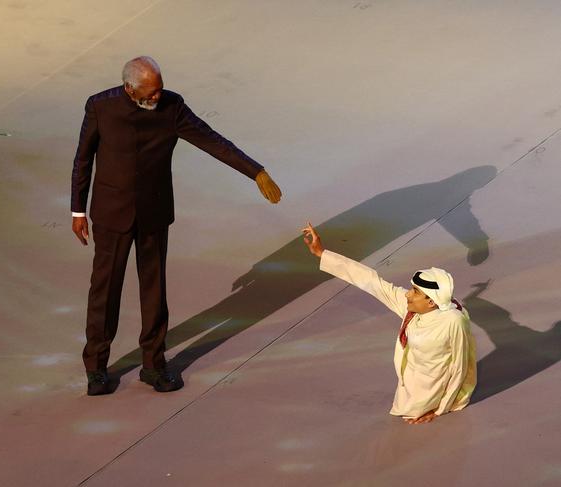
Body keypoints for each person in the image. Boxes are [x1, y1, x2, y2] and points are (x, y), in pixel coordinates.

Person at [71, 56, 282, 395]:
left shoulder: (172, 108)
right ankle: (96, 368)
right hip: (112, 214)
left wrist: (255, 171)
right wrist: (77, 211)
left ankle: (154, 365)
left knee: (154, 292)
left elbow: (212, 140)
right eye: (151, 93)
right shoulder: (100, 107)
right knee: (104, 292)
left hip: (154, 213)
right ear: (129, 88)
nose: (157, 97)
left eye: (160, 90)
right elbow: (83, 158)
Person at [302, 222, 476, 424]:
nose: (408, 295)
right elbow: (372, 281)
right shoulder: (412, 308)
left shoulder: (453, 321)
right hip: (410, 381)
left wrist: (442, 409)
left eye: (415, 292)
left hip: (434, 387)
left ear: (431, 300)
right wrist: (322, 254)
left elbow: (460, 366)